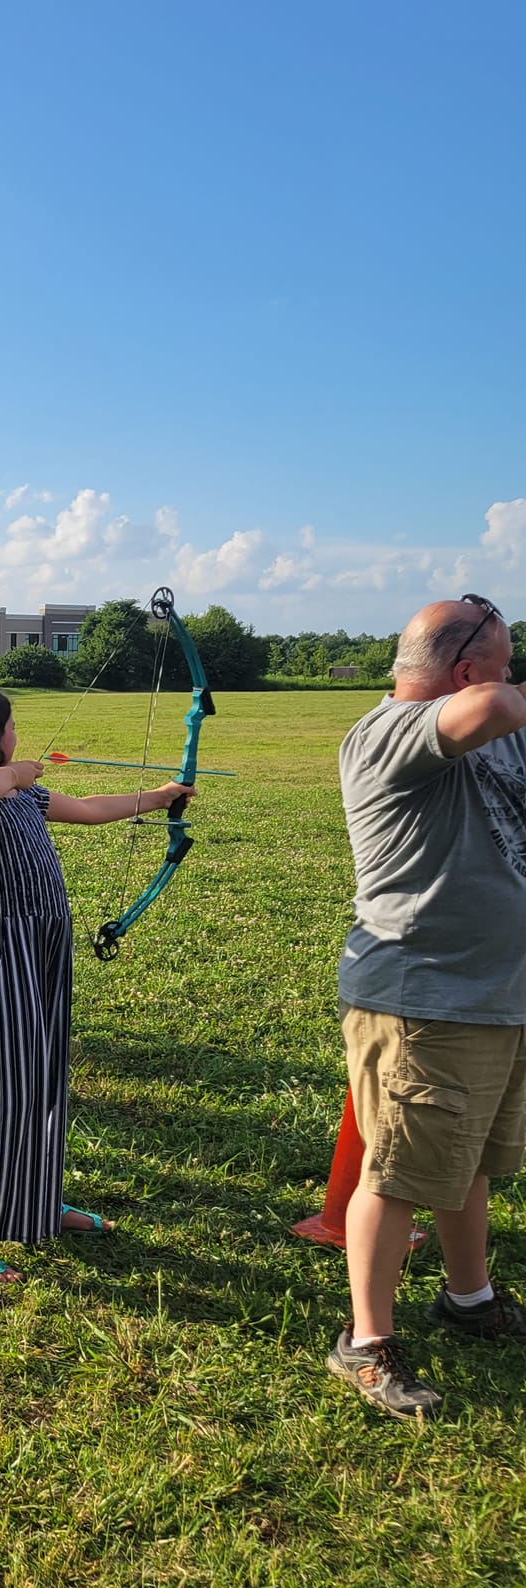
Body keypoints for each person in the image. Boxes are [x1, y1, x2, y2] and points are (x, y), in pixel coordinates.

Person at [0, 683, 196, 1281]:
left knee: (42, 1078)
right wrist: (14, 771)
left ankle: (39, 1205)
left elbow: (92, 808)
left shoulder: (23, 795)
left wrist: (162, 795)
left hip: (46, 945)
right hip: (2, 948)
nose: (19, 735)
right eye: (11, 725)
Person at [327, 594, 526, 1420]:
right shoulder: (387, 732)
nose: (512, 678)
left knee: (467, 1160)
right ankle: (365, 1344)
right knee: (399, 1171)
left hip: (498, 993)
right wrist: (504, 691)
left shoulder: (493, 724)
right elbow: (497, 705)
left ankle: (468, 1297)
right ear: (466, 669)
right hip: (424, 994)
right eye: (507, 661)